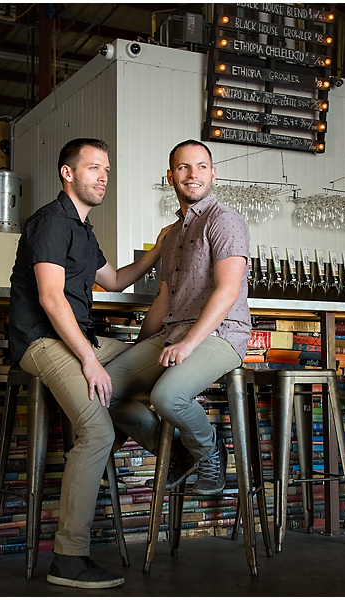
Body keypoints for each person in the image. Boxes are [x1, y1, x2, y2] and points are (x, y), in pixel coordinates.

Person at [9, 137, 171, 589]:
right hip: (41, 341)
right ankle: (69, 559)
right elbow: (49, 297)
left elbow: (115, 281)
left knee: (161, 358)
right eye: (94, 167)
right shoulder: (50, 222)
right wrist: (90, 361)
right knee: (96, 429)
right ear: (68, 173)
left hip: (80, 339)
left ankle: (175, 454)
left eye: (107, 169)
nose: (103, 176)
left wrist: (159, 249)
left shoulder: (83, 229)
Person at [107, 139, 250, 496]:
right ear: (170, 176)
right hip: (172, 334)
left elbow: (228, 291)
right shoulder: (171, 235)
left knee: (169, 397)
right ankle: (177, 455)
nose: (193, 174)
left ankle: (209, 450)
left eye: (201, 166)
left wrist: (188, 343)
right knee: (100, 390)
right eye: (184, 167)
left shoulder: (225, 221)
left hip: (221, 335)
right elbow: (164, 299)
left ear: (213, 174)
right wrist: (137, 353)